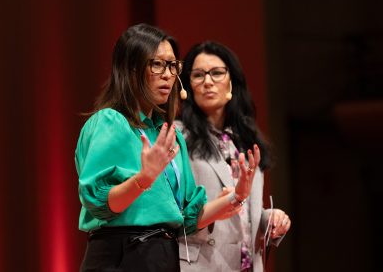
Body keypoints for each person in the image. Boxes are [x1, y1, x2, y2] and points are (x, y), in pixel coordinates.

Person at [75, 24, 260, 272]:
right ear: (131, 69)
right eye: (157, 64)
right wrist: (144, 178)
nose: (167, 75)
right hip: (122, 254)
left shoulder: (168, 133)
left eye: (173, 66)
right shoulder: (111, 122)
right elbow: (104, 204)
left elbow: (188, 217)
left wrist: (237, 196)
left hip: (162, 255)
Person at [177, 41, 291, 272]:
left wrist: (268, 219)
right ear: (188, 84)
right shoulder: (178, 135)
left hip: (247, 264)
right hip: (202, 264)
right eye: (198, 75)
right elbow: (174, 211)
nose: (207, 82)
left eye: (217, 73)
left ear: (232, 81)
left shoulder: (245, 138)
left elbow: (244, 212)